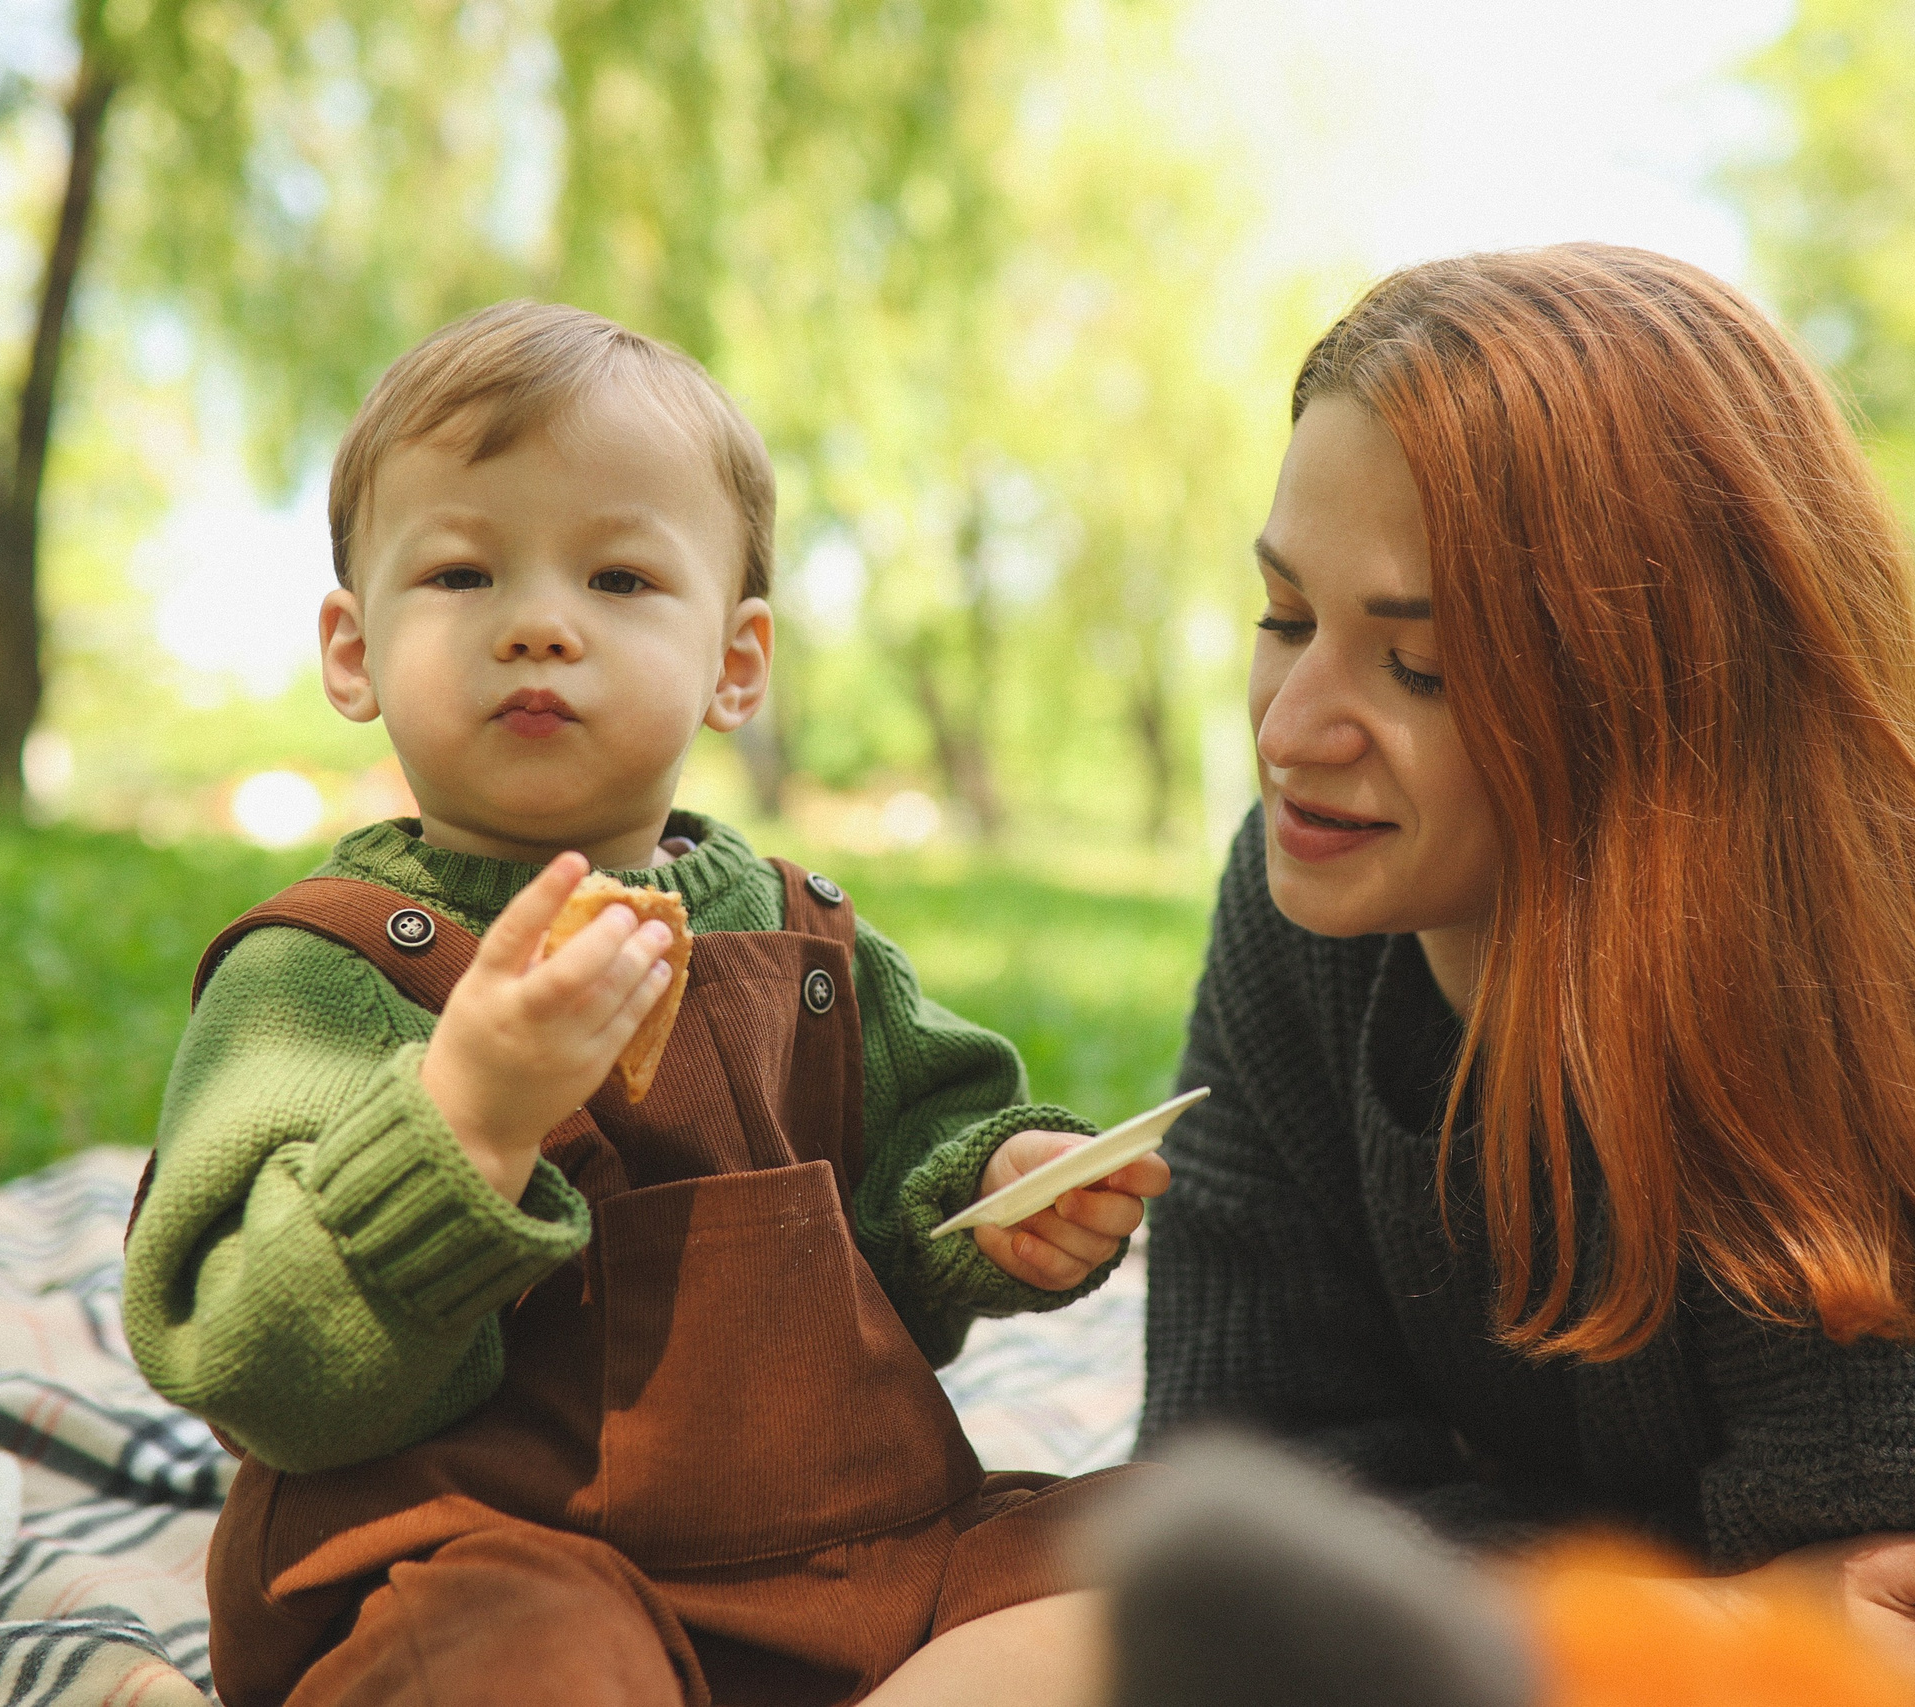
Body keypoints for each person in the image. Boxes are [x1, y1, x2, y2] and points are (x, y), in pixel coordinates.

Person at [1138, 244, 1915, 1694]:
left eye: (1419, 667)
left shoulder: (1838, 1051)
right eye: (1288, 617)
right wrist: (1703, 1614)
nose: (1295, 726)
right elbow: (1234, 1484)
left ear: (1649, 695)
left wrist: (1549, 1581)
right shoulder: (1305, 905)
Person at [121, 300, 1164, 1707]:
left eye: (617, 581)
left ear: (736, 663)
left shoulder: (807, 943)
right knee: (518, 1658)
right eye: (461, 574)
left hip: (853, 1552)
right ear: (353, 648)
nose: (541, 625)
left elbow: (910, 1192)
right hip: (477, 1562)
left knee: (1181, 1561)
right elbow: (257, 1369)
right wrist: (467, 1119)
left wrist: (1002, 1196)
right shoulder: (322, 970)